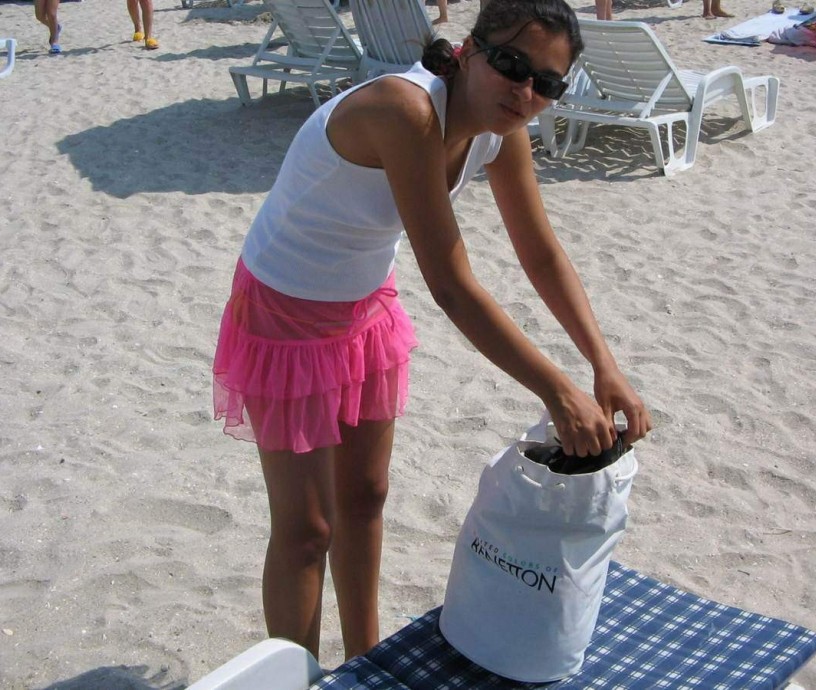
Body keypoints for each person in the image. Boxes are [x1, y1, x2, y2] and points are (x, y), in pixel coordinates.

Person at [212, 0, 652, 662]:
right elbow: (450, 285)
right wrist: (558, 391)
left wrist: (603, 364)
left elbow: (541, 252)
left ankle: (364, 665)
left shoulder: (503, 132)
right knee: (307, 529)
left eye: (548, 83)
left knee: (366, 498)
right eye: (511, 65)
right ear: (470, 51)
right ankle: (298, 679)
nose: (526, 91)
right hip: (283, 309)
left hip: (362, 305)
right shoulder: (406, 110)